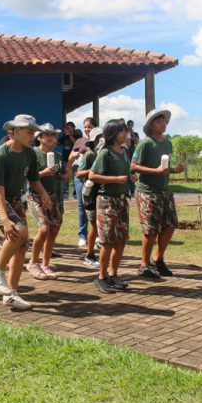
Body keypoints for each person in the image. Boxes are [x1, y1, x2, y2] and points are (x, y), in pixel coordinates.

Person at [0, 114, 53, 311]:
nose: (33, 135)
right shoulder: (0, 154)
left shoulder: (29, 153)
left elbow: (33, 179)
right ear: (14, 131)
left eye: (34, 132)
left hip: (15, 199)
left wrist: (43, 193)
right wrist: (5, 219)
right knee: (18, 229)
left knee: (21, 246)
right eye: (29, 131)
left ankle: (11, 294)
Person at [131, 108, 185, 278]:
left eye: (164, 121)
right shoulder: (145, 143)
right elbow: (133, 166)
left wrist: (175, 170)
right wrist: (155, 171)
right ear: (151, 125)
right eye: (159, 121)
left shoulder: (167, 143)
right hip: (148, 191)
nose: (164, 124)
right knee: (150, 229)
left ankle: (158, 259)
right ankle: (144, 264)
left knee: (171, 224)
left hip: (164, 191)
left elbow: (165, 167)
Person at [89, 119, 134, 293]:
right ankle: (101, 277)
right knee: (107, 241)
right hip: (107, 200)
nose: (125, 134)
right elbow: (92, 175)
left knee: (121, 239)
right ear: (114, 134)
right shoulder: (105, 153)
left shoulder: (124, 151)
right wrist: (116, 179)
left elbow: (125, 172)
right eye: (122, 131)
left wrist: (130, 177)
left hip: (122, 200)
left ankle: (113, 274)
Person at [27, 123, 70, 279]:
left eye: (54, 135)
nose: (53, 138)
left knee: (53, 229)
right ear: (40, 137)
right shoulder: (32, 154)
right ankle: (32, 263)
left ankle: (45, 264)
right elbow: (28, 177)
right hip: (36, 195)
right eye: (49, 135)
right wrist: (44, 173)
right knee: (44, 228)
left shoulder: (57, 155)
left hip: (54, 196)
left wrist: (66, 173)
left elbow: (62, 175)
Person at [77, 128, 104, 267]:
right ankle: (89, 254)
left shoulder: (103, 154)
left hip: (101, 193)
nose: (102, 140)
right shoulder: (89, 155)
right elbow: (79, 173)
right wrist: (92, 171)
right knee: (93, 223)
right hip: (90, 193)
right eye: (99, 137)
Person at [74, 116, 98, 247]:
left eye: (90, 126)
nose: (87, 129)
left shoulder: (101, 142)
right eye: (85, 127)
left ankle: (96, 235)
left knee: (94, 207)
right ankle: (83, 235)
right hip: (81, 178)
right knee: (82, 206)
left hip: (95, 180)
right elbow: (72, 156)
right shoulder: (80, 141)